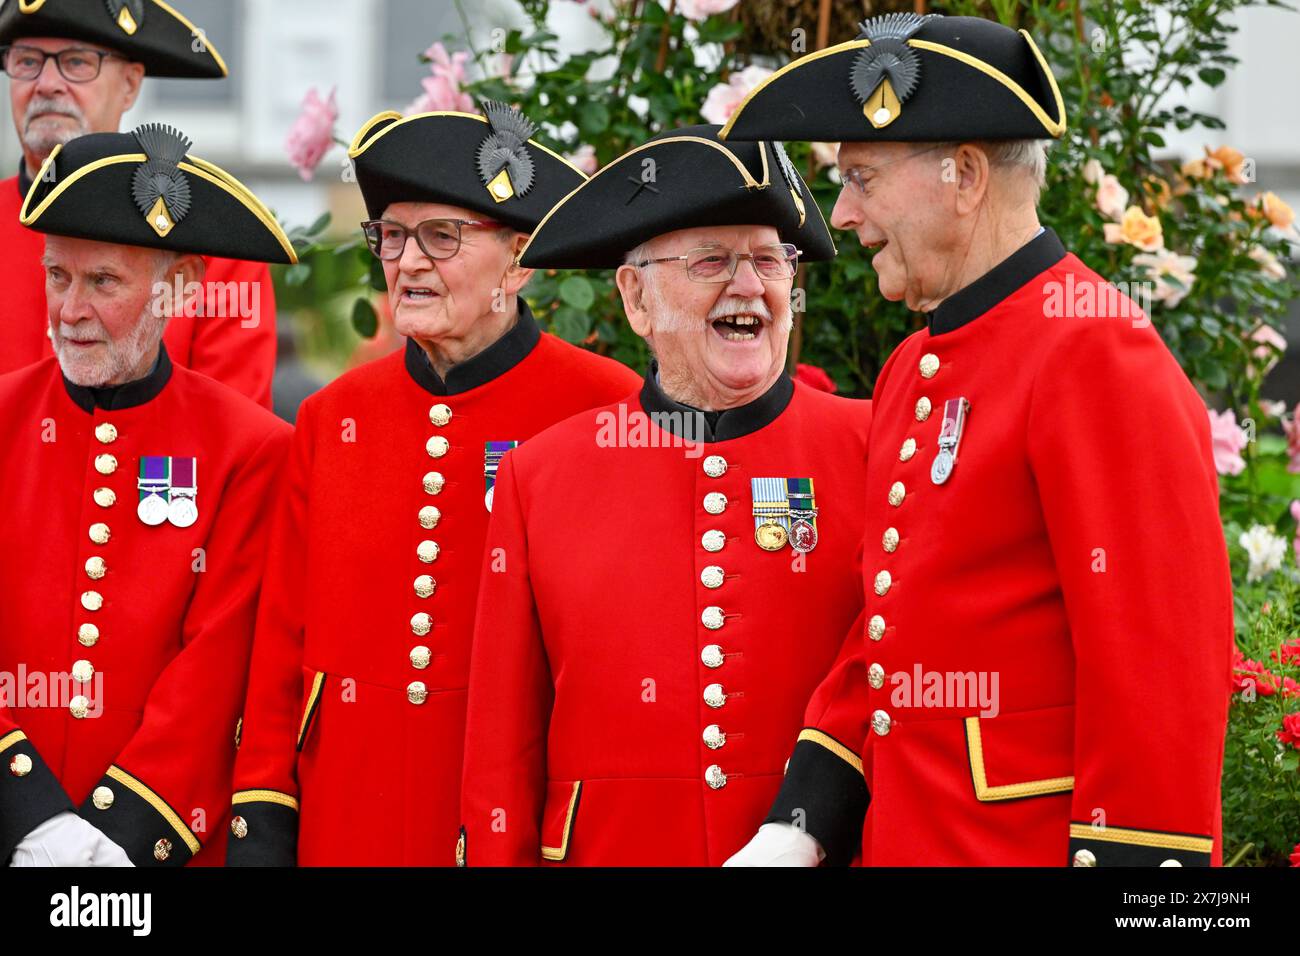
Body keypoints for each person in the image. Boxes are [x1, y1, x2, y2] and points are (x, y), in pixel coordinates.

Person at [722, 13, 1232, 866]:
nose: (840, 215)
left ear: (962, 175)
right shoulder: (914, 366)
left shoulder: (1096, 350)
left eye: (861, 178)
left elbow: (1160, 672)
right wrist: (802, 821)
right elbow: (891, 633)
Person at [226, 103, 641, 866]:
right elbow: (281, 639)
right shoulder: (331, 415)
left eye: (441, 237)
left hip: (505, 824)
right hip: (344, 816)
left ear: (518, 262)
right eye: (390, 235)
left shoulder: (605, 405)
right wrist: (263, 813)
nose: (407, 263)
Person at [457, 125, 874, 866]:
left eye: (770, 261)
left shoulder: (871, 449)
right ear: (635, 297)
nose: (748, 284)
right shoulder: (541, 477)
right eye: (712, 260)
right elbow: (502, 748)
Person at [0, 123, 296, 866]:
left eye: (102, 282)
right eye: (57, 276)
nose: (70, 311)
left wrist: (120, 831)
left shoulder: (250, 448)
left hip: (151, 847)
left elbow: (219, 665)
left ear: (182, 285)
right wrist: (29, 815)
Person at [0, 0, 280, 407]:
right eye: (26, 62)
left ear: (131, 85)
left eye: (76, 62)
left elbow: (230, 436)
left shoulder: (218, 249)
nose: (46, 83)